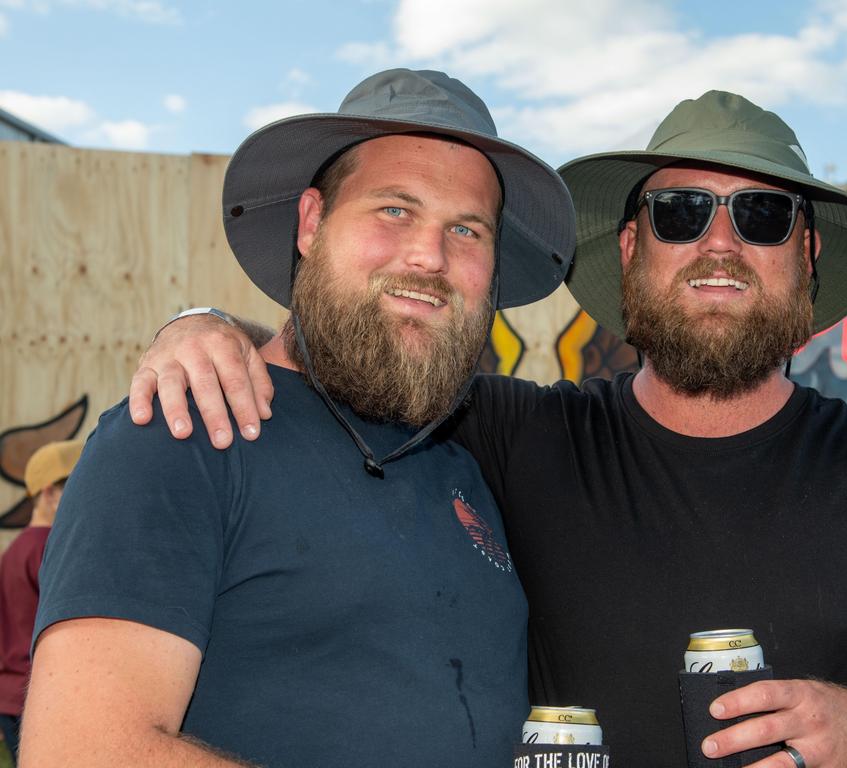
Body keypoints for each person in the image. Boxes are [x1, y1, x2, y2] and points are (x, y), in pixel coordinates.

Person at [130, 91, 847, 768]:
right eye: (680, 214)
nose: (720, 244)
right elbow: (353, 349)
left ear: (808, 257)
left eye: (762, 216)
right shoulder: (508, 436)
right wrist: (203, 327)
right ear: (631, 251)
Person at [20, 69, 576, 768]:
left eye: (465, 229)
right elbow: (80, 750)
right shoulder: (187, 430)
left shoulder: (469, 463)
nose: (428, 258)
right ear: (312, 223)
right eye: (394, 211)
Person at [0, 439, 82, 763]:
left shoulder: (13, 550)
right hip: (39, 698)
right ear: (48, 493)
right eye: (74, 487)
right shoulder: (51, 547)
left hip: (10, 696)